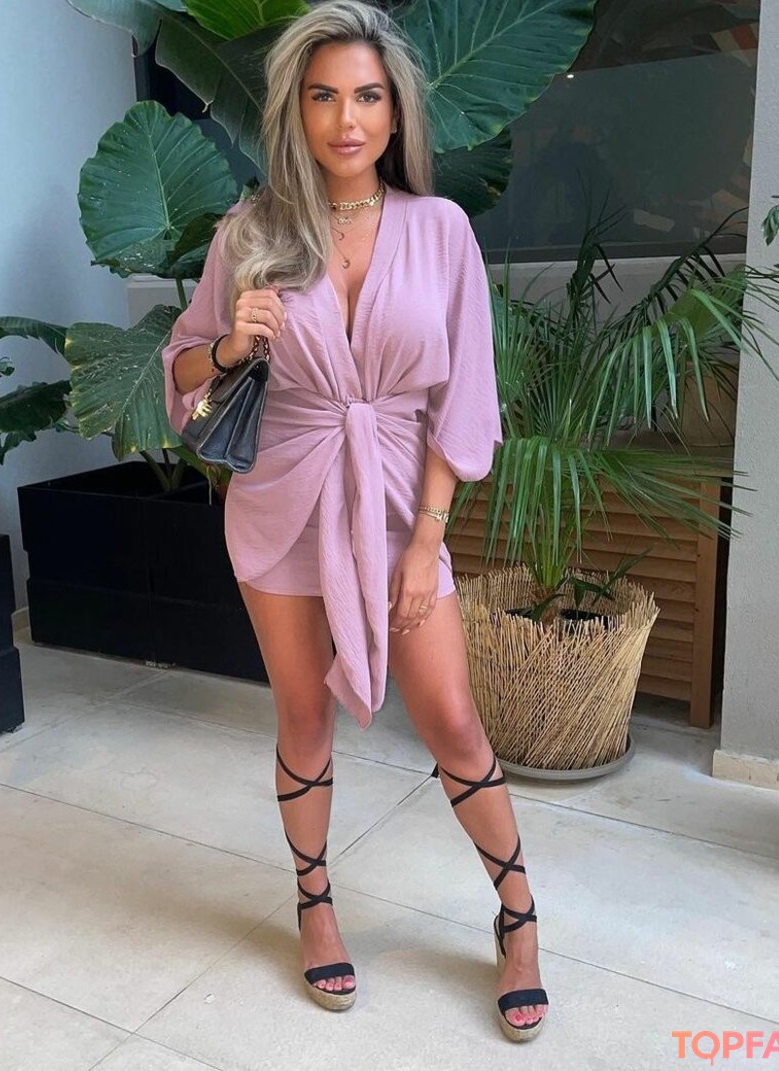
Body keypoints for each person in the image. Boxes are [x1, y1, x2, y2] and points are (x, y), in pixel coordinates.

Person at [162, 0, 548, 1042]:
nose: (346, 119)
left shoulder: (440, 230)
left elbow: (464, 398)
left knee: (453, 717)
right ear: (295, 110)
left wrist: (427, 541)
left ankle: (518, 915)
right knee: (302, 718)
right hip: (284, 501)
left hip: (398, 507)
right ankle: (315, 901)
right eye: (324, 96)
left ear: (395, 111)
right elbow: (183, 376)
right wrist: (230, 345)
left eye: (367, 96)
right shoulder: (251, 233)